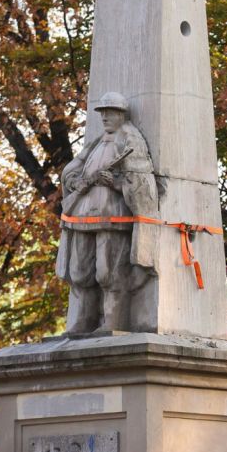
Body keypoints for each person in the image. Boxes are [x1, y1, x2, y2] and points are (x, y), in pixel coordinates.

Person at [55, 92, 159, 333]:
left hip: (113, 216)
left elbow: (140, 182)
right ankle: (83, 320)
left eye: (110, 112)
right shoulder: (97, 141)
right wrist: (75, 182)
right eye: (102, 112)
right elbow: (74, 170)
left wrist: (114, 181)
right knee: (79, 270)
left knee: (108, 272)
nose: (104, 117)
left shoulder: (130, 140)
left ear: (122, 114)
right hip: (82, 216)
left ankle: (113, 321)